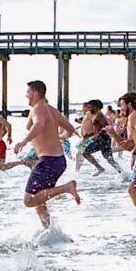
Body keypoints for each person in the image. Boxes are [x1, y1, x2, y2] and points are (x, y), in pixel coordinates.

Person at [10, 80, 81, 228]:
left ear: (35, 93)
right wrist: (60, 137)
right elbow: (70, 129)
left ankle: (67, 188)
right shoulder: (53, 110)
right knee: (39, 199)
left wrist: (24, 141)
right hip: (58, 161)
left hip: (48, 161)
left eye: (28, 92)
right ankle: (49, 232)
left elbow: (39, 124)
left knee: (29, 200)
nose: (26, 95)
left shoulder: (37, 109)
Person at [0, 102, 30, 179]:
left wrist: (9, 136)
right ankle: (23, 162)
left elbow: (8, 125)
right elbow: (5, 130)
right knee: (2, 167)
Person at [75, 100, 119, 176]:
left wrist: (97, 135)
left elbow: (105, 127)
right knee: (109, 159)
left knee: (84, 152)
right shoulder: (93, 114)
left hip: (103, 139)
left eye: (89, 107)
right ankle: (122, 172)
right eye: (87, 107)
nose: (88, 109)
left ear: (95, 107)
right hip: (98, 138)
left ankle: (101, 168)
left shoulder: (100, 115)